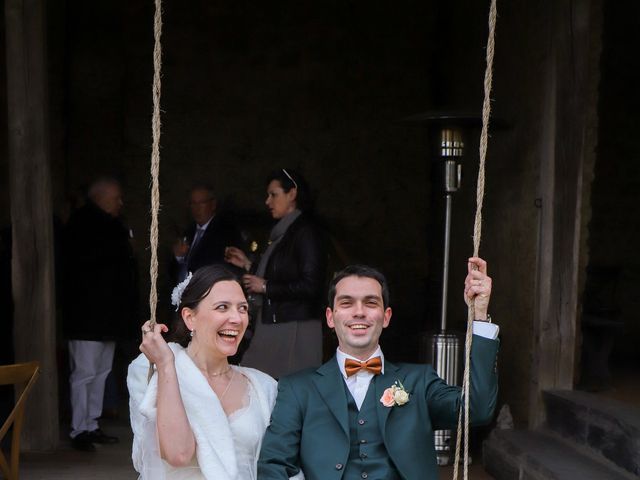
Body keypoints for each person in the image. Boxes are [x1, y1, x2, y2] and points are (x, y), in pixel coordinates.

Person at [258, 258, 499, 480]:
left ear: (386, 317)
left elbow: (476, 410)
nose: (359, 311)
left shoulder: (419, 381)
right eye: (347, 303)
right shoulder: (298, 388)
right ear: (331, 318)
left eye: (370, 303)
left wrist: (479, 315)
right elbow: (274, 465)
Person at [127, 266, 302, 480]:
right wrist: (165, 365)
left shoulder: (263, 387)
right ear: (190, 318)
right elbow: (178, 454)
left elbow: (282, 465)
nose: (237, 319)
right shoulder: (150, 370)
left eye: (243, 308)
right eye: (222, 307)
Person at [225, 168, 326, 378]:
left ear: (292, 194)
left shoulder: (305, 232)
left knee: (265, 384)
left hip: (293, 328)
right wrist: (248, 266)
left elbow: (311, 285)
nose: (267, 201)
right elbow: (283, 274)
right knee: (261, 384)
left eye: (274, 194)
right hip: (277, 323)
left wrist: (265, 287)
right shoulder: (285, 233)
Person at [62, 177, 137, 451]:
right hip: (86, 317)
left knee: (101, 372)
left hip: (107, 318)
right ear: (102, 198)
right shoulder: (81, 225)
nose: (120, 203)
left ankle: (91, 424)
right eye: (116, 198)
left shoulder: (112, 225)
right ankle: (78, 428)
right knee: (84, 373)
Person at [172, 185, 243, 283]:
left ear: (213, 204)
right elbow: (174, 270)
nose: (197, 209)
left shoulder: (226, 232)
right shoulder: (188, 232)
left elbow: (229, 268)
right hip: (183, 293)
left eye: (201, 203)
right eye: (193, 203)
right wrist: (178, 257)